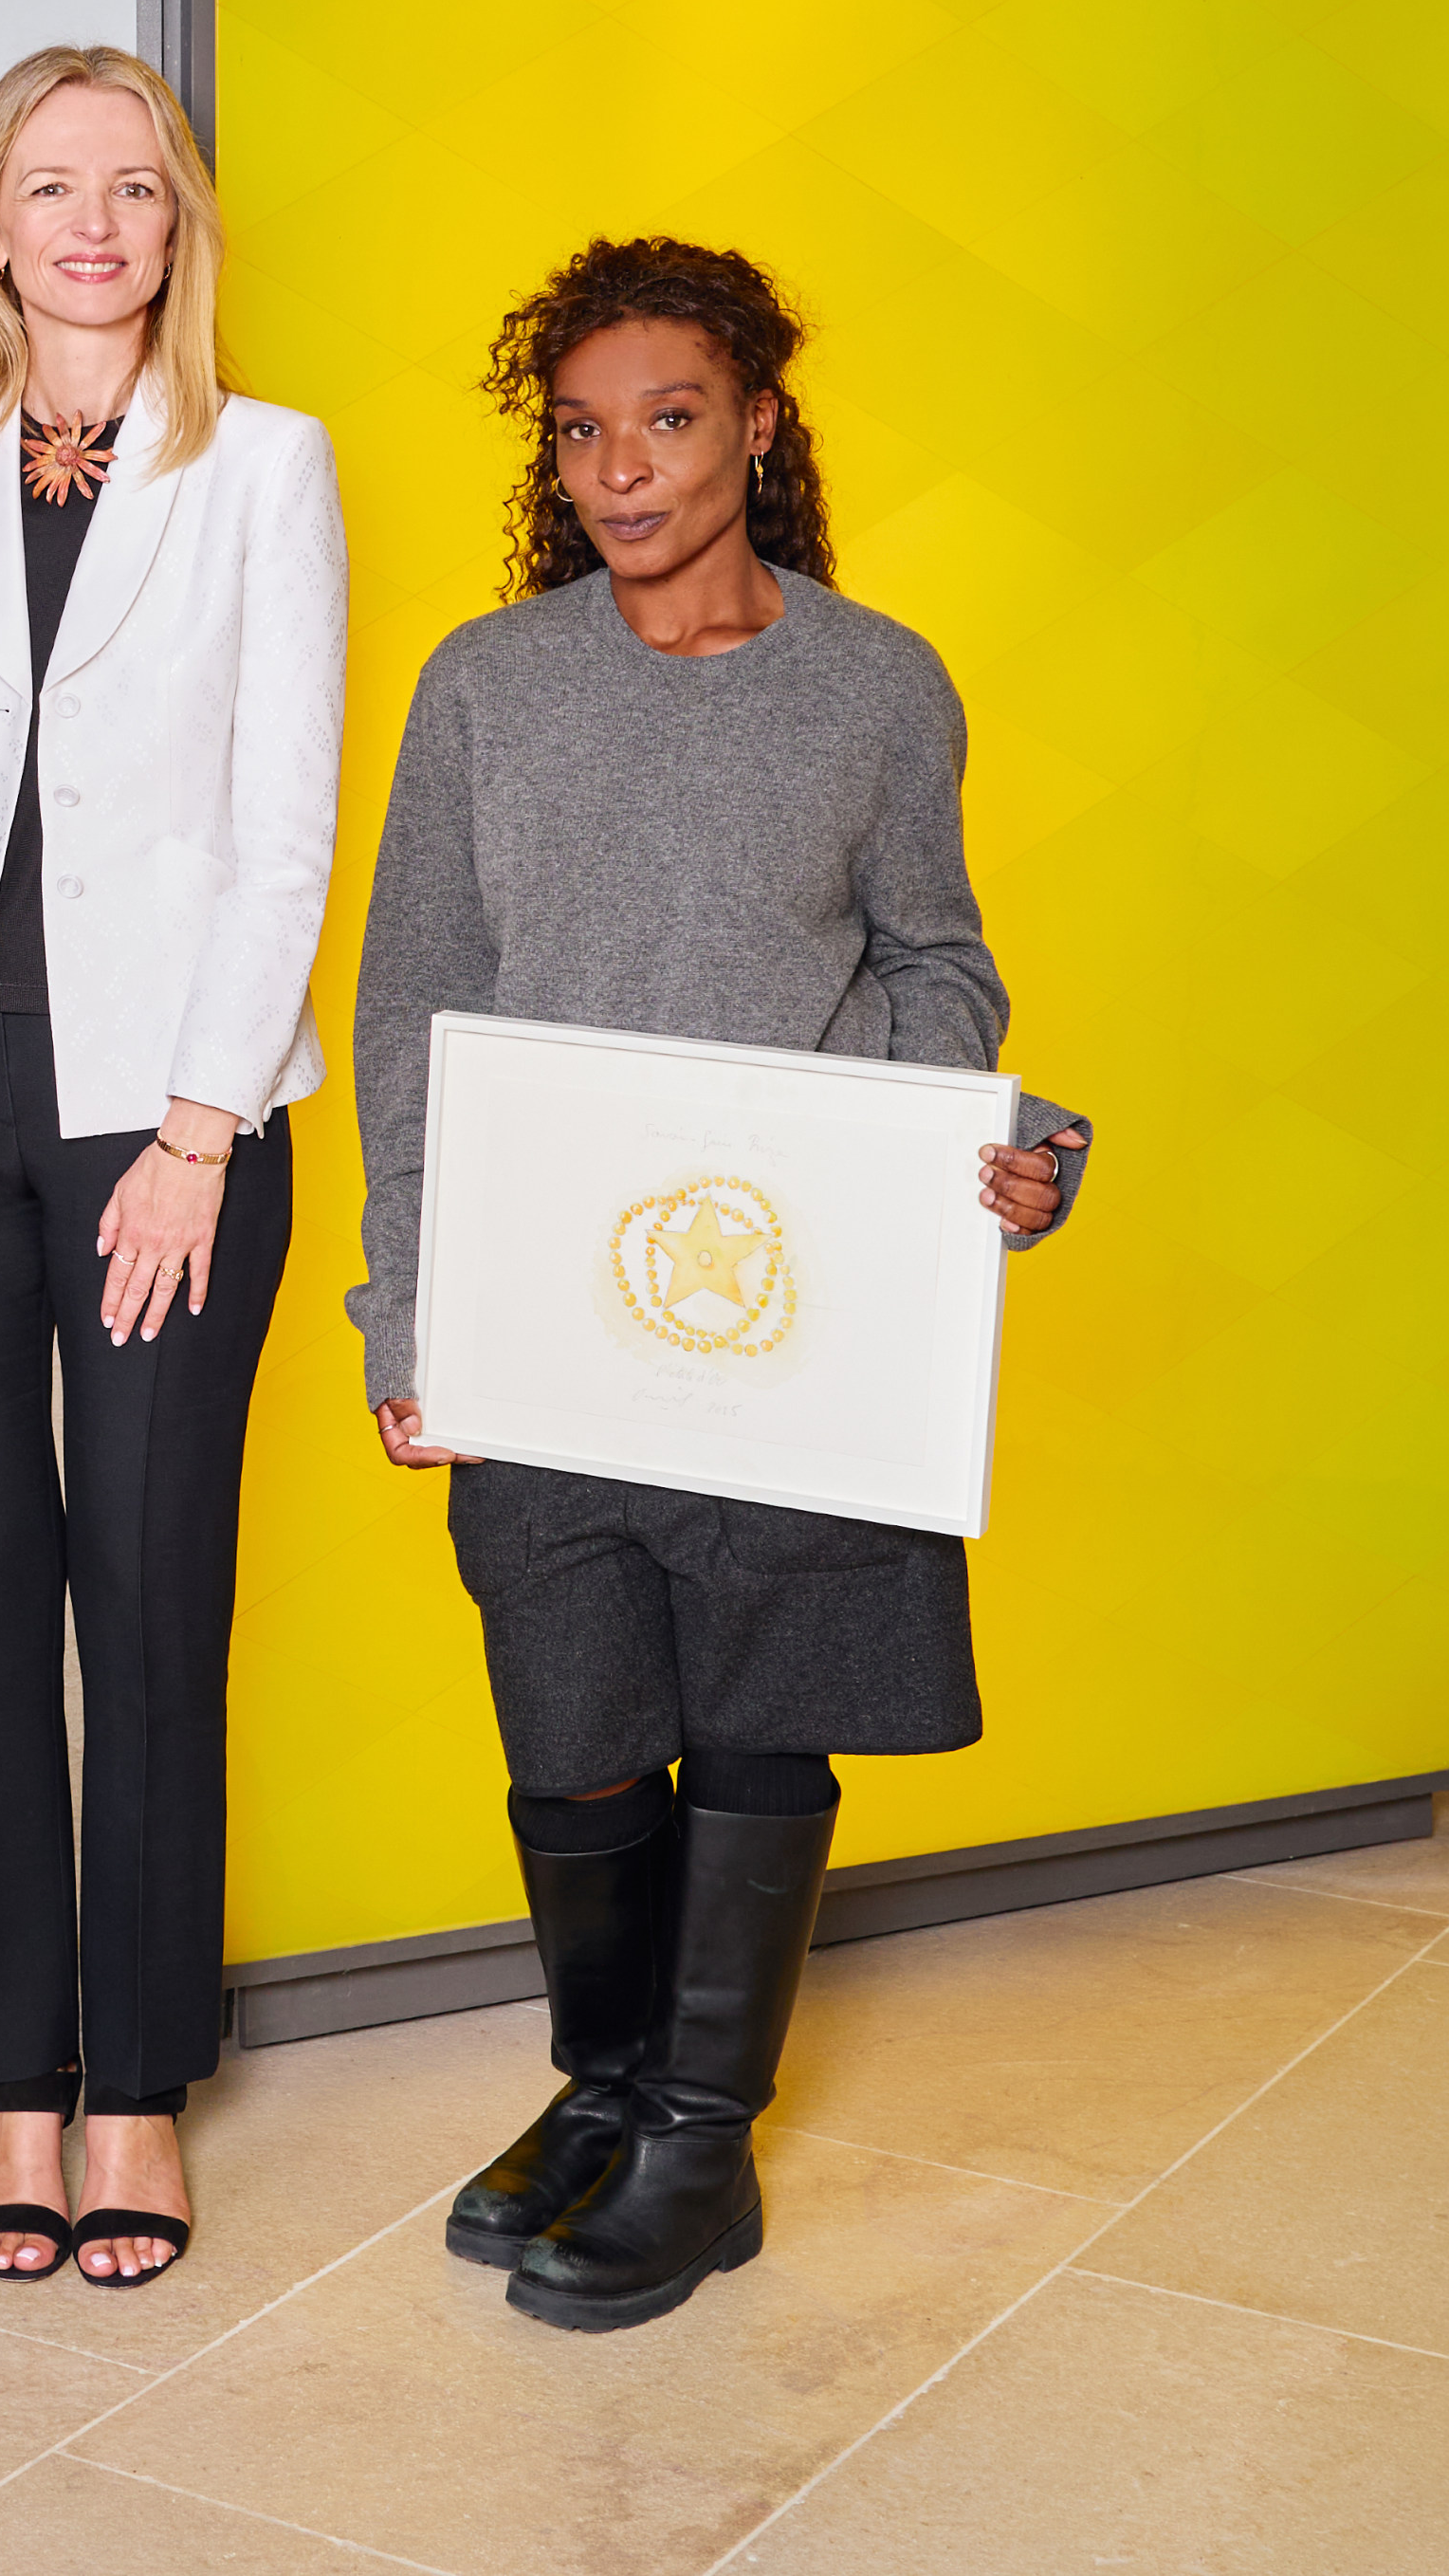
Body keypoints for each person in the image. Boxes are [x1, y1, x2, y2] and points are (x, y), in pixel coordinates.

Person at [350, 236, 1091, 2336]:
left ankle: (697, 2135)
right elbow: (414, 1002)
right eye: (578, 431)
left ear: (755, 422)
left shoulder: (874, 686)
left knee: (762, 1709)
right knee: (573, 1723)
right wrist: (405, 1310)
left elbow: (940, 964)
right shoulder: (487, 686)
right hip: (535, 1304)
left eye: (664, 419)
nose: (619, 469)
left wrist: (901, 1136)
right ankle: (601, 2089)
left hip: (805, 1309)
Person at [0, 46, 341, 2291]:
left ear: (177, 223)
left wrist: (197, 1132)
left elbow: (282, 826)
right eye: (50, 187)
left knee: (145, 1595)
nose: (93, 225)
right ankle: (7, 2082)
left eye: (132, 187)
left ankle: (130, 2084)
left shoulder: (265, 469)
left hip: (173, 1127)